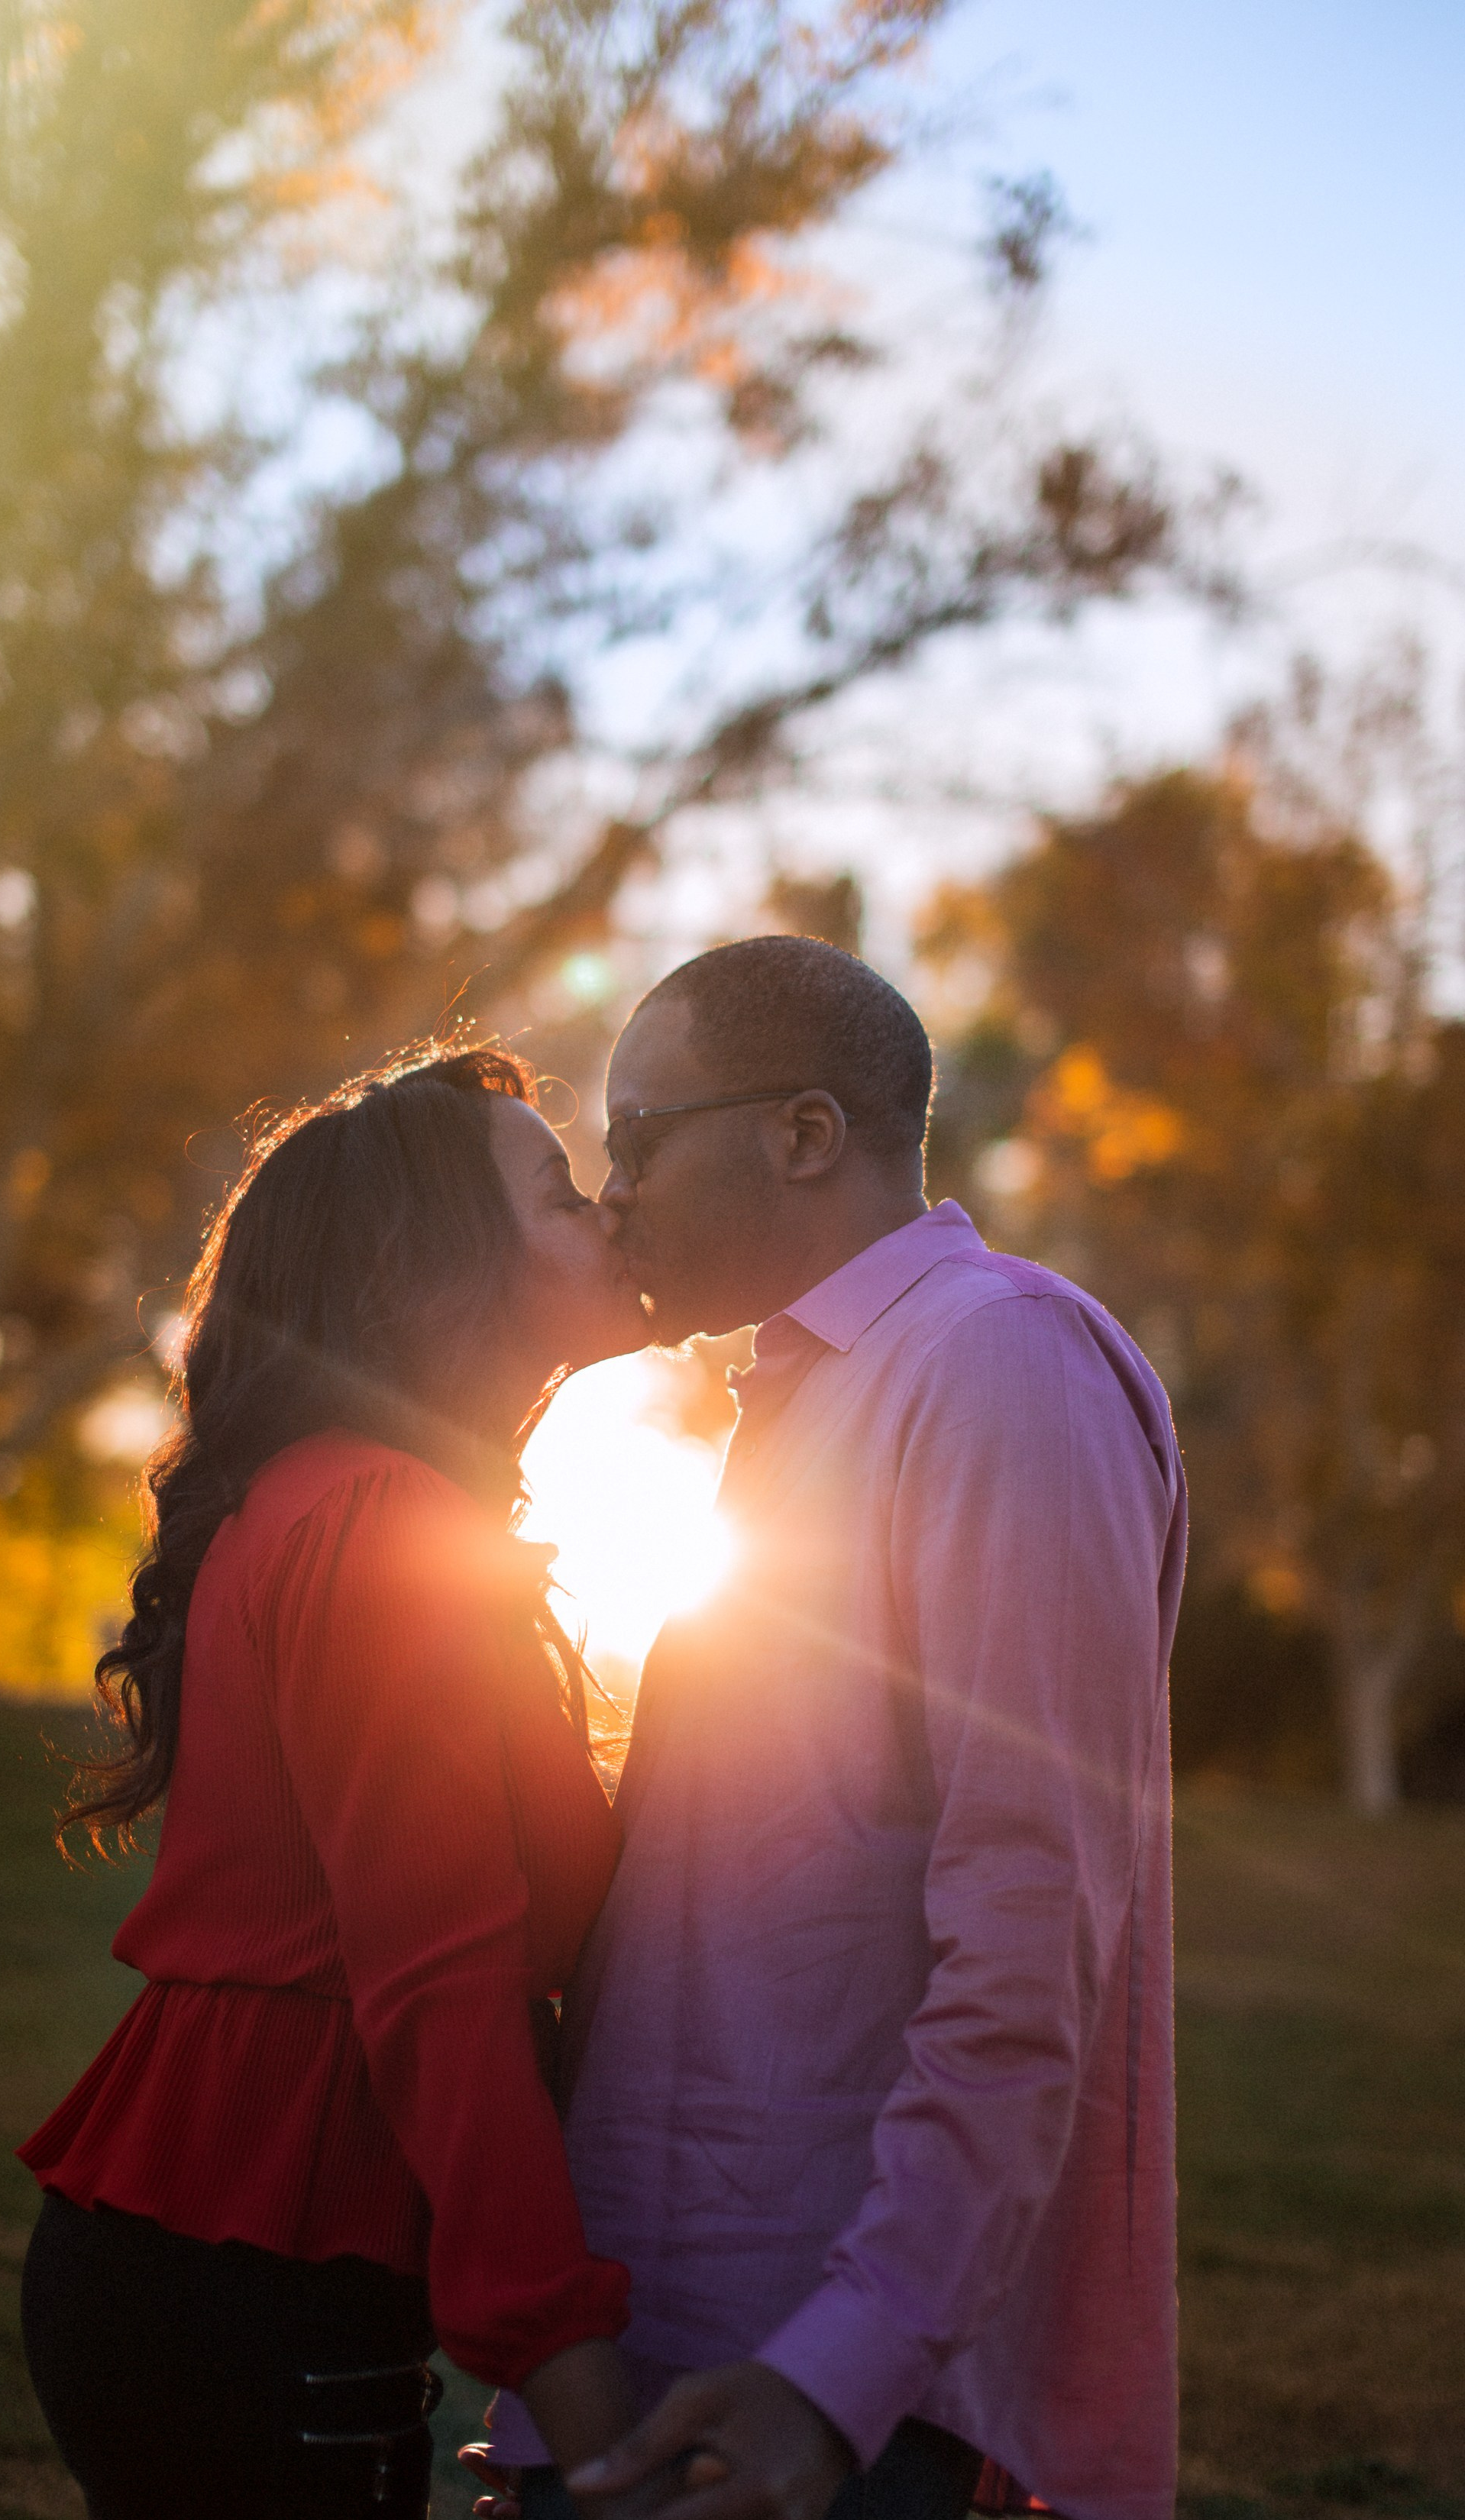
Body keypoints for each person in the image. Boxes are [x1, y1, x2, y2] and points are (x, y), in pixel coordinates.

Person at [487, 939, 1185, 2520]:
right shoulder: (812, 1400)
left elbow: (1026, 1933)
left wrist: (839, 2377)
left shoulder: (996, 1366)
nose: (612, 1199)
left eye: (638, 1138)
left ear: (802, 1134)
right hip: (666, 2378)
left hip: (826, 2417)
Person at [18, 1045, 655, 2520]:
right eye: (562, 1195)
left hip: (201, 2260)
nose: (612, 1213)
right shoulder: (381, 1523)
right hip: (246, 2282)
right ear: (440, 1266)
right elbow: (440, 1980)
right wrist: (578, 2384)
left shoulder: (341, 1493)